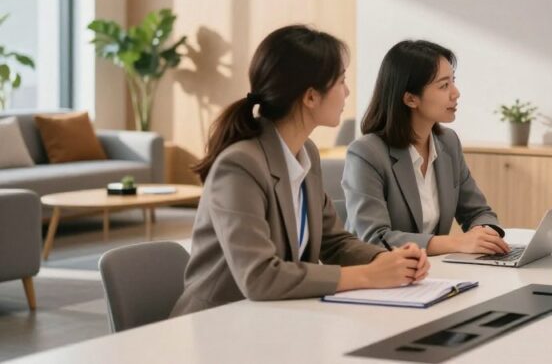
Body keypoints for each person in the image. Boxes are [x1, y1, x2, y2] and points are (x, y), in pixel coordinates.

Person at [171, 26, 429, 317]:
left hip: (272, 319)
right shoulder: (240, 165)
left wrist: (391, 260)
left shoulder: (305, 153)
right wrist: (369, 276)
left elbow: (334, 242)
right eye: (341, 81)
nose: (347, 91)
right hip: (217, 324)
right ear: (310, 97)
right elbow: (259, 277)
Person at [344, 40, 510, 256]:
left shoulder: (448, 143)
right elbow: (375, 237)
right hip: (380, 277)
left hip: (432, 274)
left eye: (453, 82)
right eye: (444, 86)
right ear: (411, 99)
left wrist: (483, 233)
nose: (455, 93)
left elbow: (478, 211)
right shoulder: (366, 153)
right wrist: (455, 243)